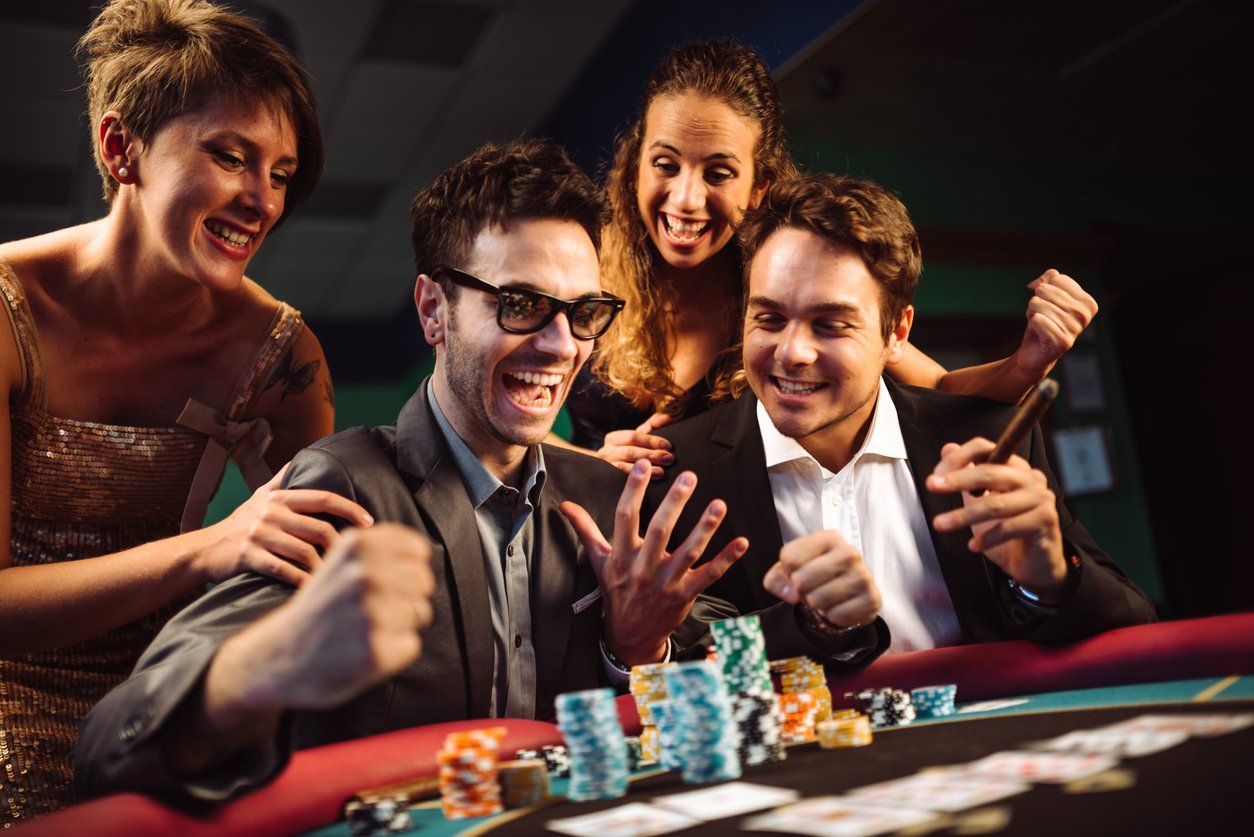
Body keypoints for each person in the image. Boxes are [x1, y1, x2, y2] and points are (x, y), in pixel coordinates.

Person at [74, 139, 743, 803]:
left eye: (583, 313)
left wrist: (641, 648)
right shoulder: (343, 485)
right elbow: (112, 748)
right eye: (520, 304)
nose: (561, 345)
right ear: (433, 310)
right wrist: (268, 661)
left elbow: (740, 676)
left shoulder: (605, 495)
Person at [0, 0, 373, 821]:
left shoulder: (284, 355)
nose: (261, 200)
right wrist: (208, 547)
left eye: (279, 174)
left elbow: (326, 575)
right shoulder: (7, 311)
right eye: (231, 156)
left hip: (169, 710)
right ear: (119, 147)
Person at [645, 173, 1156, 668]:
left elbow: (1135, 625)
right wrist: (810, 626)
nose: (792, 352)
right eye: (769, 318)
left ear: (896, 332)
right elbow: (674, 658)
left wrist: (1048, 580)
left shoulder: (987, 436)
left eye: (830, 324)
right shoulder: (676, 470)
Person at [566, 40, 1098, 473]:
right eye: (665, 164)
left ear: (759, 187)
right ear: (637, 166)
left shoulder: (787, 289)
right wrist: (588, 463)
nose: (686, 198)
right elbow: (498, 408)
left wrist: (1031, 359)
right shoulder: (584, 269)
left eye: (719, 172)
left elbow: (940, 389)